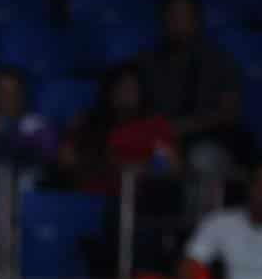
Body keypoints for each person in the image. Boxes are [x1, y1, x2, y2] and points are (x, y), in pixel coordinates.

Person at [139, 0, 244, 179]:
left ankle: (202, 211)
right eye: (172, 14)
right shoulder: (148, 62)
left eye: (184, 14)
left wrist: (187, 126)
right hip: (159, 139)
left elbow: (229, 112)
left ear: (197, 19)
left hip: (210, 141)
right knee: (152, 158)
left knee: (201, 160)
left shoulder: (220, 61)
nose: (178, 21)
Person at [60, 64, 177, 200]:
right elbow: (66, 160)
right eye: (121, 88)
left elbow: (172, 167)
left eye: (132, 88)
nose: (126, 94)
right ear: (110, 91)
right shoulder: (87, 122)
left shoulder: (154, 126)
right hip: (90, 199)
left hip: (138, 203)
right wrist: (106, 166)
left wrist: (142, 170)